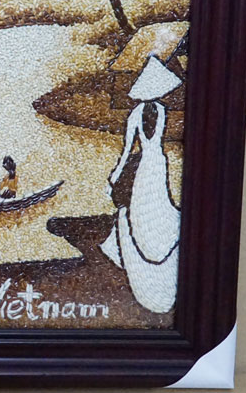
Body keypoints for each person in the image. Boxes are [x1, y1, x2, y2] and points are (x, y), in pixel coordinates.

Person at [99, 56, 182, 313]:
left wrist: (115, 175)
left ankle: (143, 244)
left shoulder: (136, 114)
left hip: (147, 163)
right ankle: (158, 242)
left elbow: (127, 150)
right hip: (157, 162)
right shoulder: (162, 110)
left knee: (141, 207)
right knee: (157, 202)